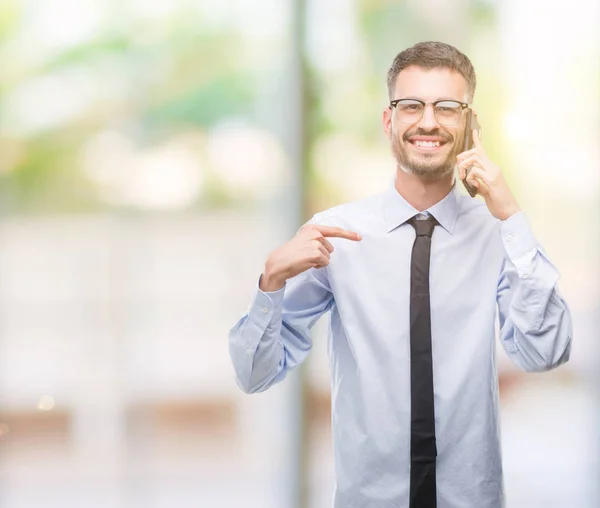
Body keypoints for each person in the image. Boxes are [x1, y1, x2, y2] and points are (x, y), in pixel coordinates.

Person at [228, 41, 572, 508]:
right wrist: (270, 281)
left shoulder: (500, 235)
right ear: (390, 121)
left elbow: (545, 353)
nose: (428, 121)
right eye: (412, 105)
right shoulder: (336, 234)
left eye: (447, 107)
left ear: (469, 125)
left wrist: (510, 213)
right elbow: (255, 374)